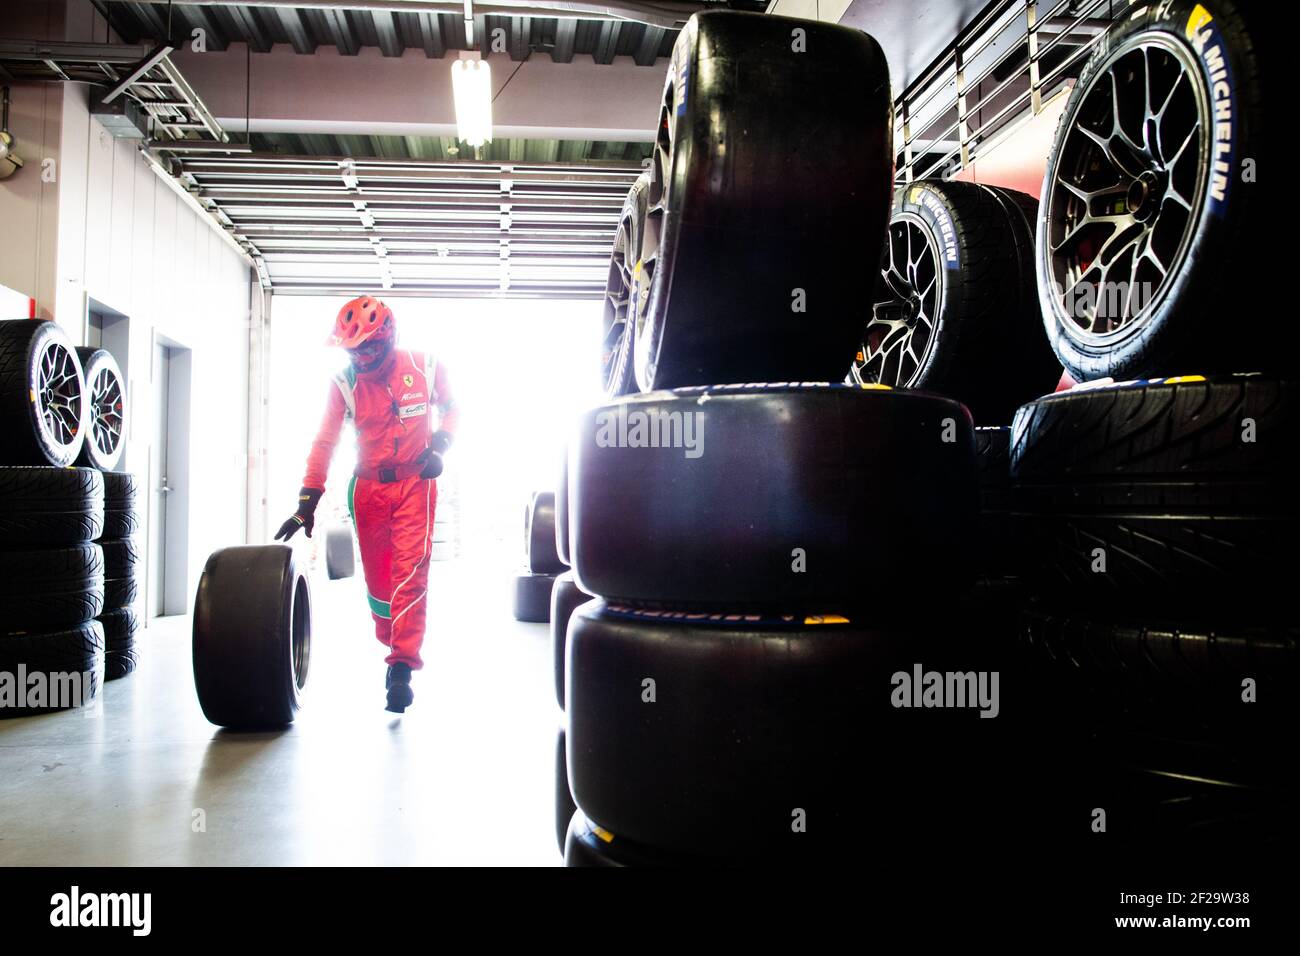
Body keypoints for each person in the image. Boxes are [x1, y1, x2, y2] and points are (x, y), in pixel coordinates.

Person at [275, 296, 458, 713]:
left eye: (370, 348)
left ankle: (401, 668)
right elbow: (325, 442)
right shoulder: (343, 384)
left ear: (388, 338)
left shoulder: (425, 367)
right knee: (380, 589)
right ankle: (392, 642)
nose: (362, 356)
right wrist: (308, 500)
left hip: (416, 483)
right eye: (354, 350)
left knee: (410, 574)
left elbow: (452, 408)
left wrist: (442, 444)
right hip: (368, 491)